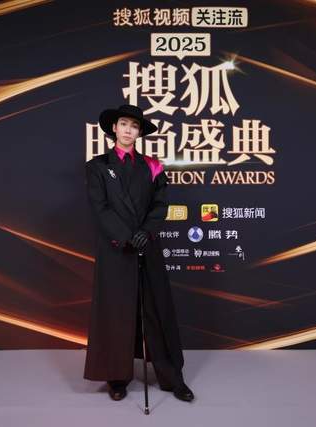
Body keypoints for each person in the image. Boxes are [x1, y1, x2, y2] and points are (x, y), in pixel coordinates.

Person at [83, 103, 194, 402]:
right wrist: (127, 237)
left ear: (139, 132)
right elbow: (100, 209)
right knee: (116, 312)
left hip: (148, 245)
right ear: (114, 128)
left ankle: (172, 378)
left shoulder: (153, 165)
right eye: (124, 124)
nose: (128, 130)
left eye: (135, 126)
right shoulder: (97, 166)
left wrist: (147, 231)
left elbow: (160, 205)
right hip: (117, 249)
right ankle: (116, 378)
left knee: (157, 312)